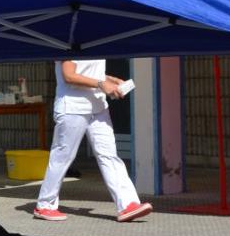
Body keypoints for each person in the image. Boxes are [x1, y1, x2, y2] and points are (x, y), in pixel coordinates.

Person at [33, 60, 153, 223]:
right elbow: (68, 75)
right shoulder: (69, 42)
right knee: (62, 157)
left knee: (109, 155)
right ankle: (45, 205)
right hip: (73, 107)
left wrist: (110, 80)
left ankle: (128, 205)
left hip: (98, 107)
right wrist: (101, 83)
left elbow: (91, 72)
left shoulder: (94, 43)